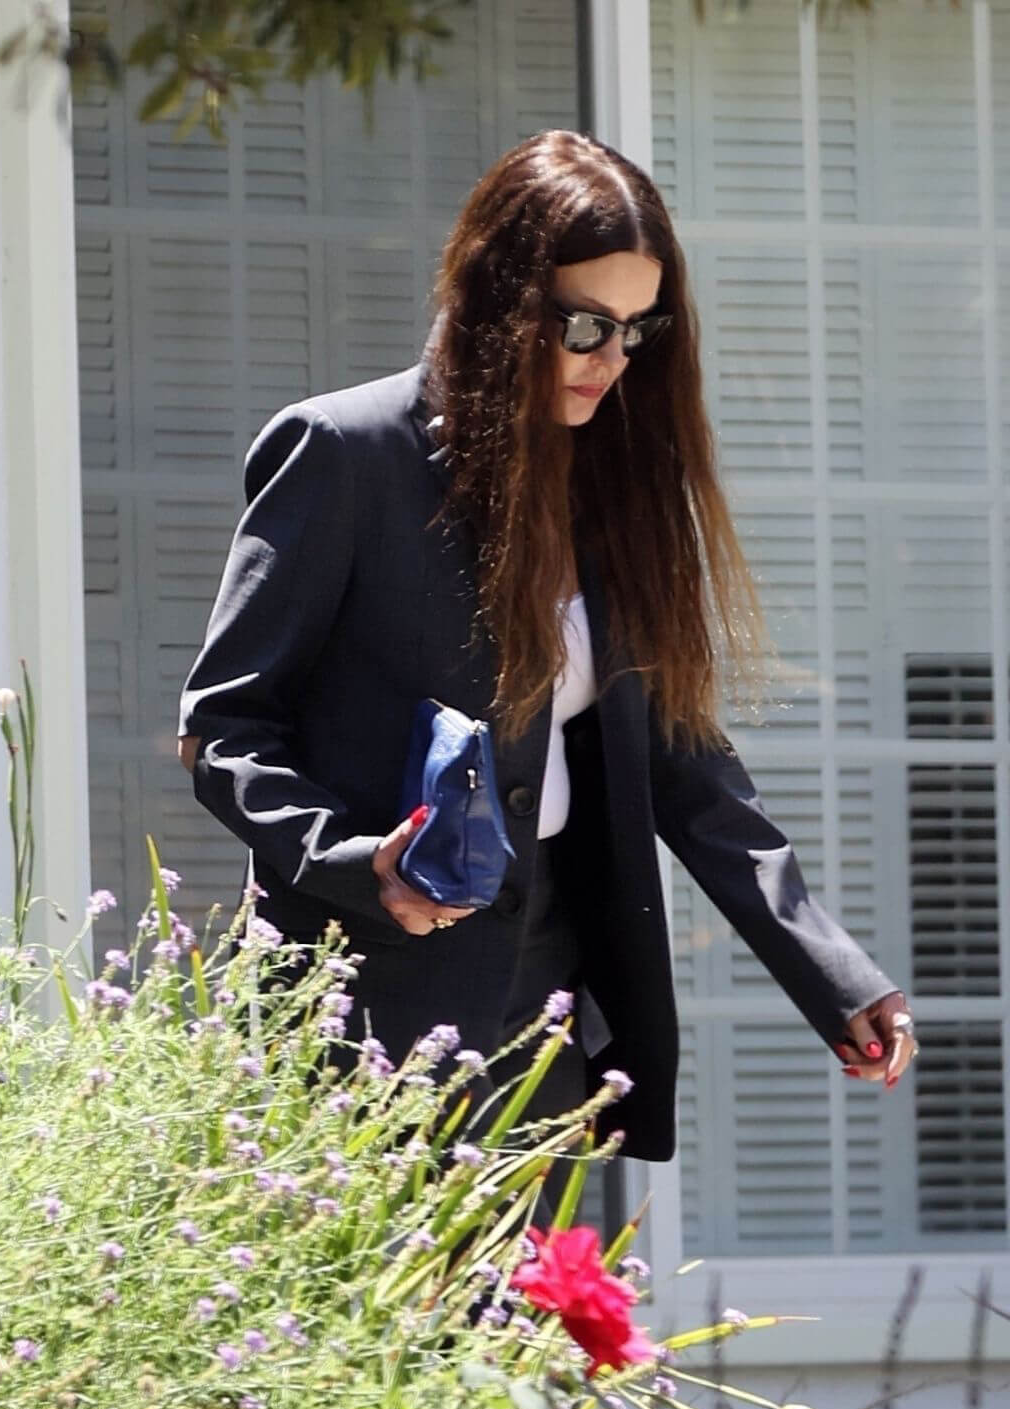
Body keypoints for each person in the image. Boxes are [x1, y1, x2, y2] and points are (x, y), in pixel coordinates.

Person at [177, 129, 918, 1170]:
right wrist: (357, 864)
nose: (612, 360)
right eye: (584, 326)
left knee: (507, 1330)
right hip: (365, 1023)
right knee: (373, 1332)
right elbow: (224, 731)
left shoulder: (611, 489)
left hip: (547, 1022)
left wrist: (831, 972)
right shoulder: (344, 454)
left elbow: (684, 762)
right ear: (501, 297)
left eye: (637, 331)